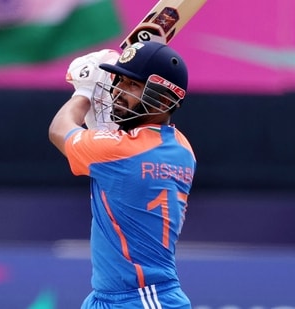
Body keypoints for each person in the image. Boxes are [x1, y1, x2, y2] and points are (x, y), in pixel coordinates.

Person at [49, 41, 196, 309]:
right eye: (120, 81)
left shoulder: (120, 152)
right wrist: (104, 123)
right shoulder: (182, 148)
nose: (117, 91)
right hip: (112, 297)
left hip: (142, 298)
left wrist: (83, 92)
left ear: (164, 99)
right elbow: (123, 147)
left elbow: (59, 130)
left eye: (132, 85)